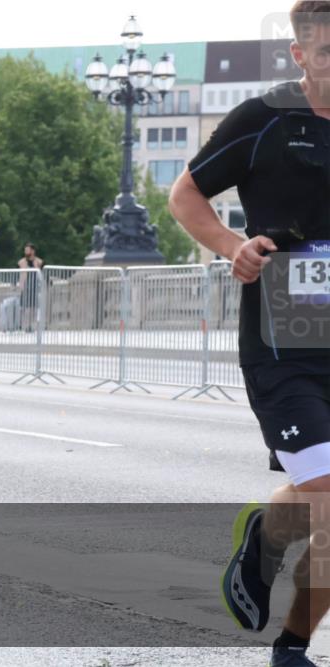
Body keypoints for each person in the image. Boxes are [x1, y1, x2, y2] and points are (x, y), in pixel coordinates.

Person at [169, 4, 330, 665]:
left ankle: (290, 630)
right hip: (283, 338)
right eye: (326, 51)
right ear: (299, 54)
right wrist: (233, 245)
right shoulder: (264, 119)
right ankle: (287, 623)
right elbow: (184, 195)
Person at [17, 243, 43, 331]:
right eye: (25, 250)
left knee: (34, 308)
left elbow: (44, 273)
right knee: (23, 307)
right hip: (24, 287)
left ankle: (31, 326)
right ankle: (21, 324)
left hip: (35, 288)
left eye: (27, 250)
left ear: (32, 251)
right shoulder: (21, 262)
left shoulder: (39, 262)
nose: (26, 252)